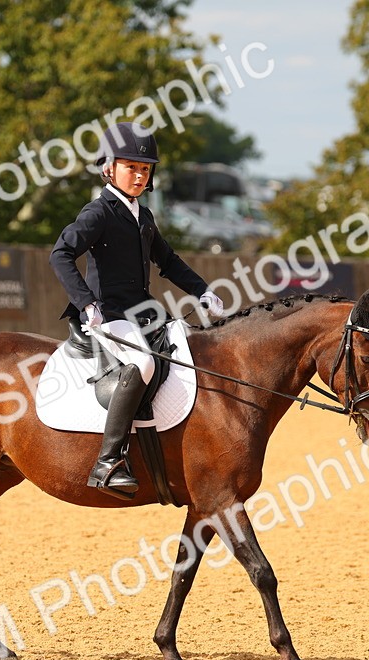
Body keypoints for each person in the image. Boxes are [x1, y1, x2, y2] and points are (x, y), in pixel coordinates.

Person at [49, 121, 224, 497]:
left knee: (188, 346)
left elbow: (169, 260)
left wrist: (202, 290)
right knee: (143, 363)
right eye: (132, 167)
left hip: (143, 312)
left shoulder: (142, 216)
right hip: (107, 314)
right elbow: (60, 254)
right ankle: (108, 461)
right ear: (108, 168)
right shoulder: (99, 213)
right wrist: (86, 303)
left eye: (145, 169)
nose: (140, 175)